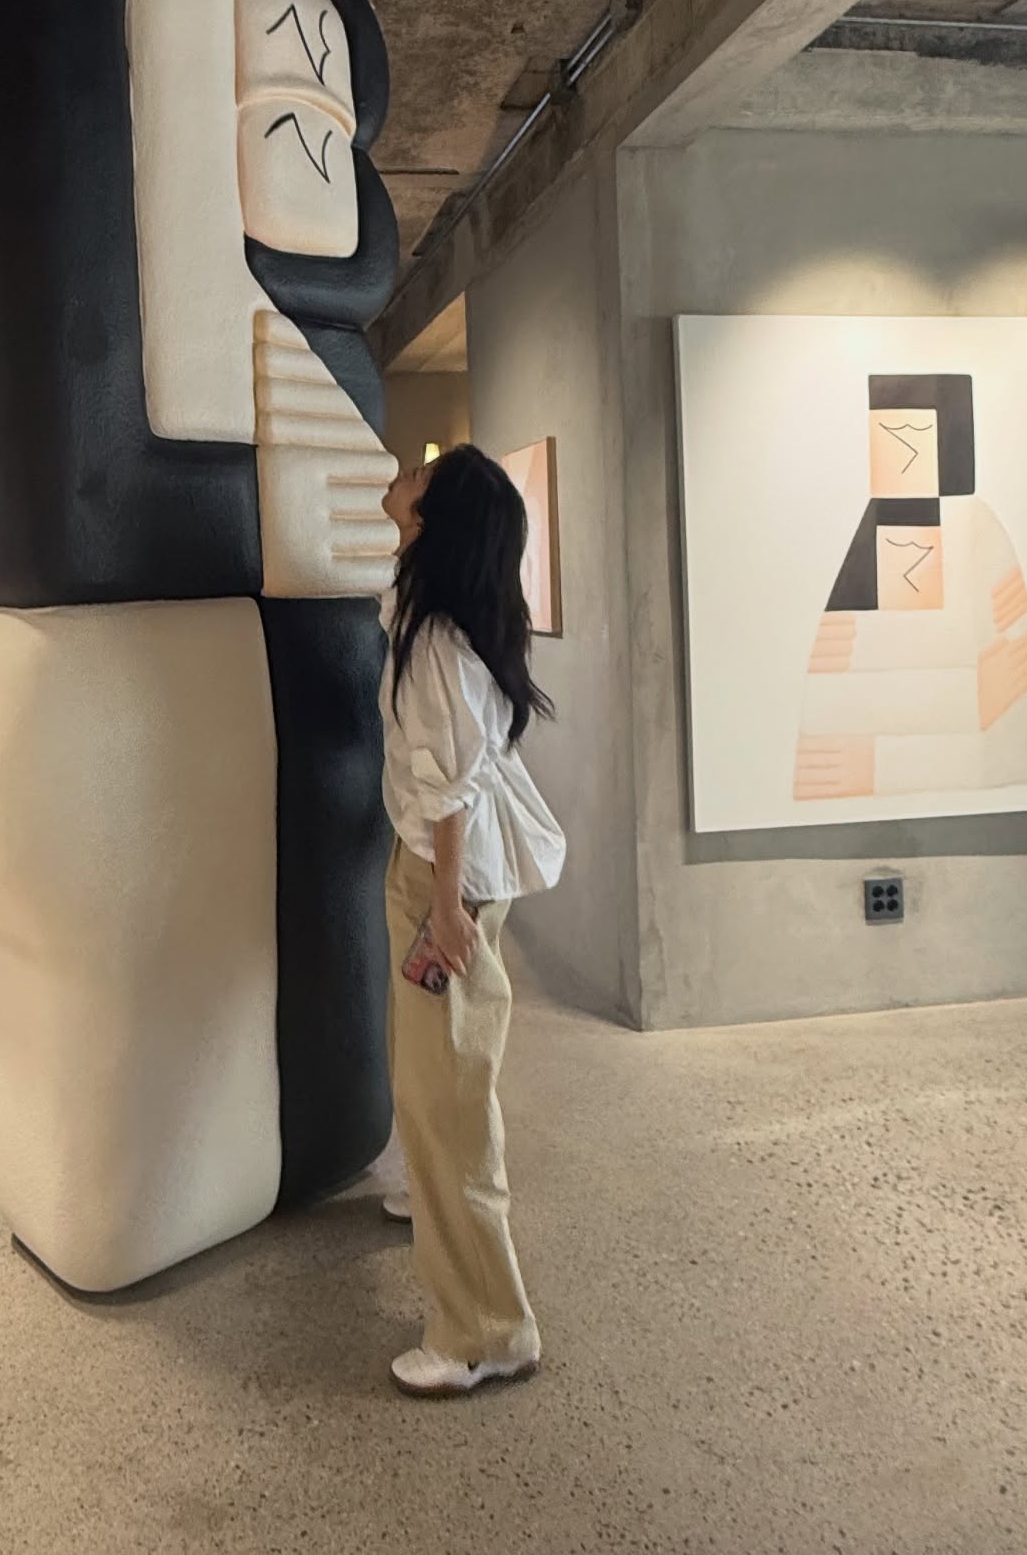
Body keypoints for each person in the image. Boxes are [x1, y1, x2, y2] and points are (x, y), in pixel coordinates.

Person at [378, 445, 566, 1398]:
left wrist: (444, 906)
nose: (403, 474)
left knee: (450, 1100)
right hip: (436, 872)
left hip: (442, 880)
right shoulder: (426, 610)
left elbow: (447, 790)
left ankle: (486, 1331)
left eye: (421, 478)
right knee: (438, 1084)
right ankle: (433, 1200)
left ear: (435, 522)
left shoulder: (438, 645)